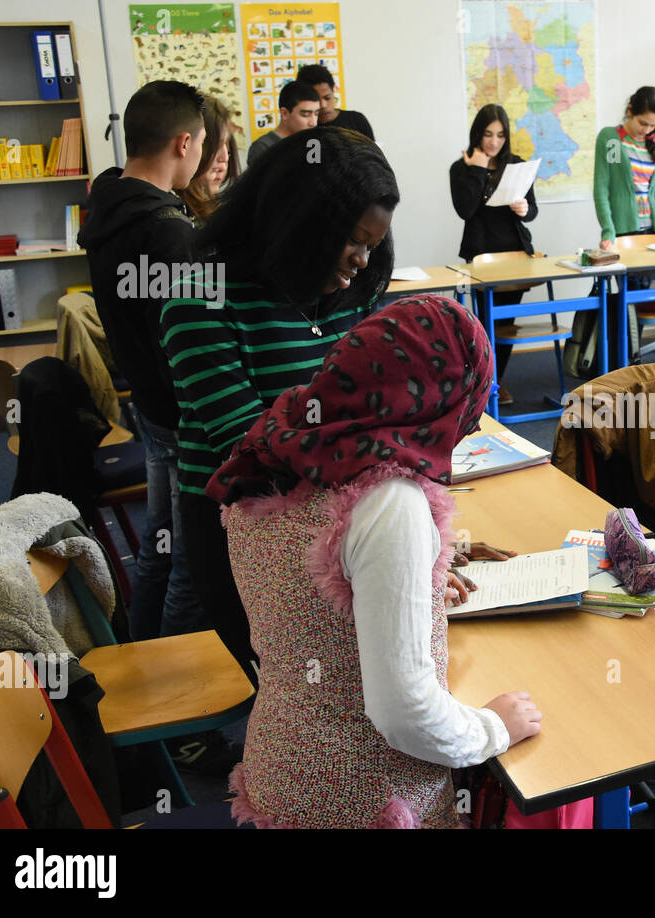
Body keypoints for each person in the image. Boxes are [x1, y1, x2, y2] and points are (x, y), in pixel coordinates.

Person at [209, 295, 542, 829]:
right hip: (369, 802)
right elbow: (406, 714)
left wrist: (410, 586)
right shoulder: (390, 503)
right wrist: (492, 730)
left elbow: (311, 600)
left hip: (285, 772)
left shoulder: (282, 443)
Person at [161, 126, 398, 681]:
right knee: (300, 691)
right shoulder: (200, 297)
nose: (363, 262)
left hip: (347, 518)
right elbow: (254, 449)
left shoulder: (346, 296)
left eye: (372, 244)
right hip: (250, 536)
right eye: (353, 242)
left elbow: (380, 413)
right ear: (301, 225)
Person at [78, 81, 208, 646]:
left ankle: (144, 654)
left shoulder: (108, 201)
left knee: (160, 547)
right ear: (184, 142)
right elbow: (196, 332)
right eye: (203, 144)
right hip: (181, 413)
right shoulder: (167, 231)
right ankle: (182, 705)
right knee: (190, 562)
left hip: (148, 404)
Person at [449, 103, 539, 407]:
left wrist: (524, 209)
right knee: (482, 326)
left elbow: (532, 210)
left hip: (514, 255)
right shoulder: (461, 167)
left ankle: (495, 383)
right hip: (480, 256)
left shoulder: (517, 165)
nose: (494, 142)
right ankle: (482, 384)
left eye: (500, 135)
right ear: (478, 133)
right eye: (488, 134)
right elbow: (465, 209)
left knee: (505, 324)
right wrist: (476, 168)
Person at [593, 86, 655, 248]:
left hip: (653, 230)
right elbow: (601, 188)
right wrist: (608, 230)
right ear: (630, 111)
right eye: (643, 123)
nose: (646, 130)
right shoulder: (612, 140)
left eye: (653, 126)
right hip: (623, 231)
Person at [180, 93, 241, 222]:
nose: (224, 158)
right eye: (215, 146)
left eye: (226, 145)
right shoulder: (178, 215)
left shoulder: (214, 207)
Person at [246, 81, 320, 164]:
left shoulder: (313, 144)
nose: (313, 123)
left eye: (316, 114)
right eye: (305, 115)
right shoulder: (262, 147)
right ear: (284, 113)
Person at [297, 63, 374, 140]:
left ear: (333, 90)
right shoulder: (302, 129)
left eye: (327, 97)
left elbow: (374, 151)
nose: (323, 105)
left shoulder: (356, 120)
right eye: (316, 100)